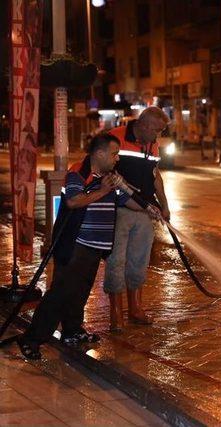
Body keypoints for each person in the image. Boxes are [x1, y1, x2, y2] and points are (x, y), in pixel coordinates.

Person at [16, 134, 160, 360]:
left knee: (80, 291)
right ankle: (31, 339)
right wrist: (102, 190)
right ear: (99, 154)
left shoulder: (109, 177)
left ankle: (72, 331)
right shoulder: (78, 173)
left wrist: (147, 208)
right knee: (60, 294)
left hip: (95, 247)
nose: (117, 159)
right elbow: (73, 201)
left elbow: (124, 199)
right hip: (77, 245)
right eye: (114, 154)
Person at [104, 106, 171, 332]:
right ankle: (115, 313)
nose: (158, 136)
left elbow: (155, 176)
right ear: (144, 125)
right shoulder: (115, 138)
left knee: (139, 260)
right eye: (157, 130)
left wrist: (164, 205)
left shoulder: (151, 143)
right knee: (116, 260)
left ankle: (135, 308)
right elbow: (107, 174)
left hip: (144, 211)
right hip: (118, 210)